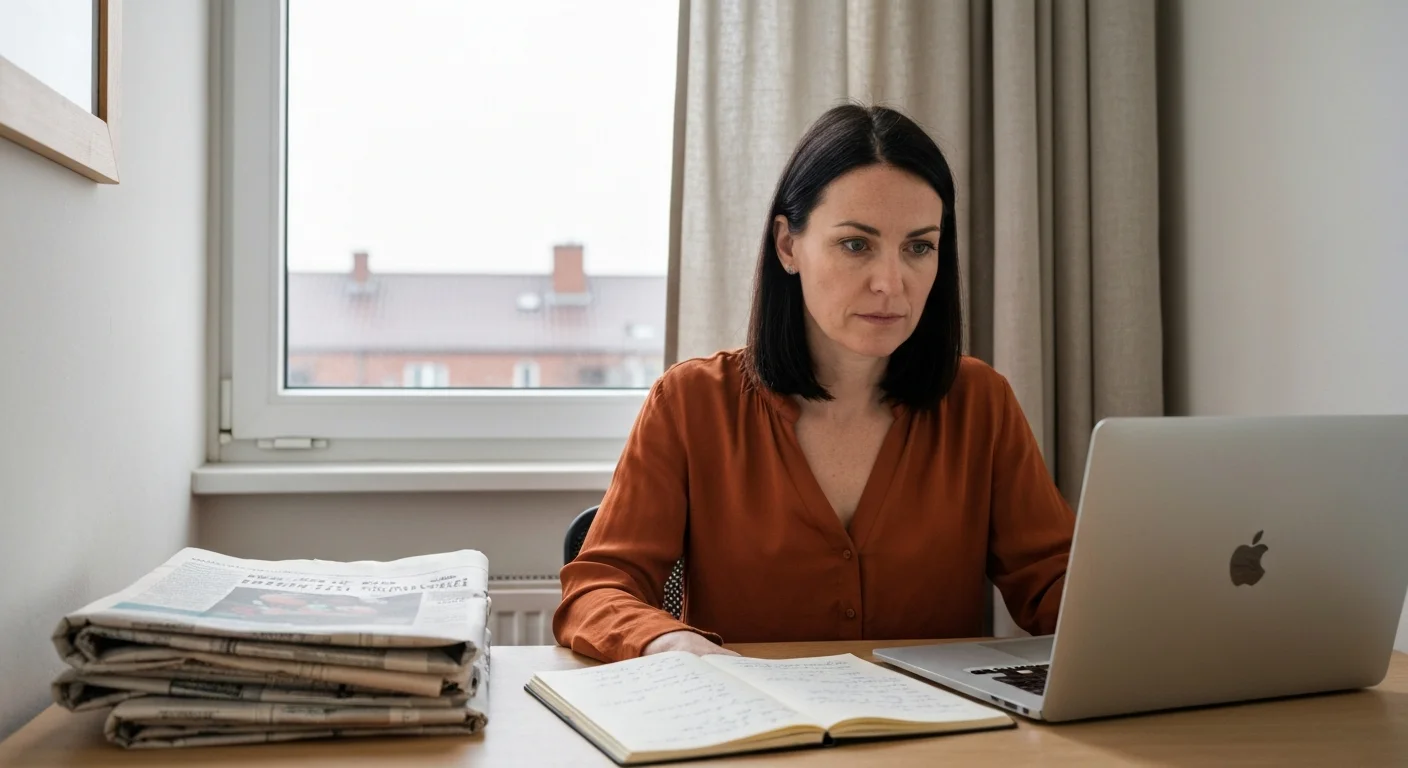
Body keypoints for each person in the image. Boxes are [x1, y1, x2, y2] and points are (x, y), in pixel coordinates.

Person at [554, 103, 1075, 662]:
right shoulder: (690, 404)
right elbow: (596, 589)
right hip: (754, 734)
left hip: (937, 740)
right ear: (787, 246)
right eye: (856, 244)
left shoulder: (981, 404)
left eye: (919, 247)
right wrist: (670, 642)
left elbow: (1057, 584)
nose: (890, 283)